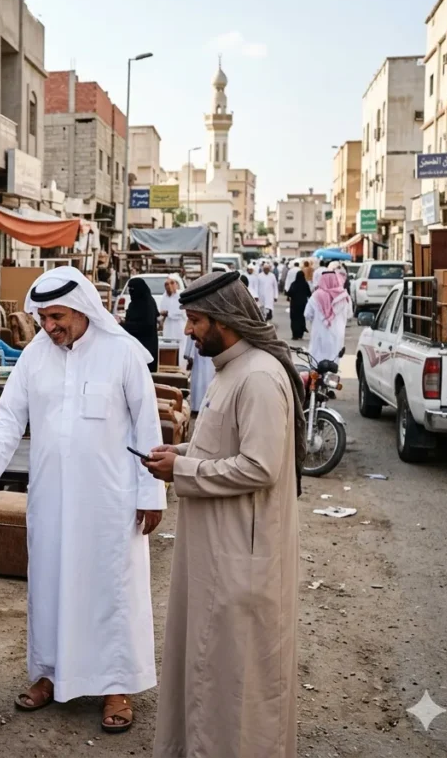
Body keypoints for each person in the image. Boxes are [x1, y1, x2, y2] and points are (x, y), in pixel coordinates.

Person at [0, 267, 165, 735]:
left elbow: (147, 430)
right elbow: (10, 417)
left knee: (110, 592)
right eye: (43, 318)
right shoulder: (35, 356)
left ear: (83, 309)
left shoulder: (123, 354)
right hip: (52, 498)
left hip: (110, 501)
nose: (49, 326)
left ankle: (116, 686)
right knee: (51, 586)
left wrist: (151, 492)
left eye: (57, 317)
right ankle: (50, 675)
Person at [143, 271, 304, 758]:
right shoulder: (232, 370)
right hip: (215, 553)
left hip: (240, 560)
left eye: (195, 320)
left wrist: (184, 468)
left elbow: (260, 466)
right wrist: (181, 453)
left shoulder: (256, 376)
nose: (187, 331)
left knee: (238, 682)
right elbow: (226, 444)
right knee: (207, 669)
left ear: (225, 321)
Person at [305, 269, 351, 363]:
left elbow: (307, 314)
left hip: (319, 335)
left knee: (317, 362)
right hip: (337, 334)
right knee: (334, 362)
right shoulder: (344, 296)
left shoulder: (316, 296)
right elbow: (349, 314)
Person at [121, 278, 159, 372]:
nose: (130, 292)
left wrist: (123, 325)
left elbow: (145, 325)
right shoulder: (133, 304)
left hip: (147, 346)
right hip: (133, 347)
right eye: (129, 289)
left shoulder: (148, 304)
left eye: (133, 289)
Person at [182, 334, 215, 415]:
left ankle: (204, 405)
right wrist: (188, 353)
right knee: (200, 375)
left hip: (211, 348)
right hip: (200, 349)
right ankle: (197, 406)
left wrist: (188, 352)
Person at [158, 275, 188, 353]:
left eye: (172, 283)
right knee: (169, 346)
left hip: (179, 326)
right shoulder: (164, 297)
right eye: (167, 284)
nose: (169, 286)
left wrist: (168, 313)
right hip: (168, 326)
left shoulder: (181, 296)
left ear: (177, 284)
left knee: (181, 347)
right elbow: (162, 310)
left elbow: (181, 311)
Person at [287, 270, 312, 341]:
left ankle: (295, 335)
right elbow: (309, 294)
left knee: (294, 319)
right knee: (301, 318)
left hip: (294, 305)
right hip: (303, 304)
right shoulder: (305, 284)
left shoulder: (293, 284)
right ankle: (301, 333)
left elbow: (289, 293)